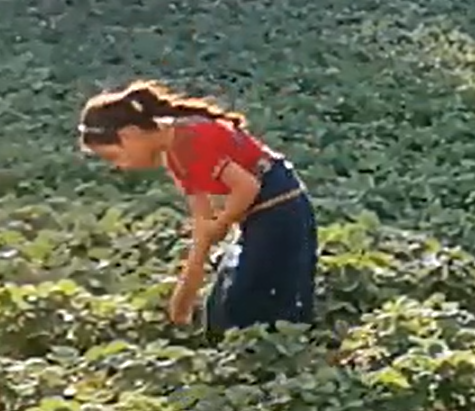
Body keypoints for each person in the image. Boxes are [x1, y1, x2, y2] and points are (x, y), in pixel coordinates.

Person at [78, 81, 317, 331]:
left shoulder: (192, 141)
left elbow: (247, 187)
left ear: (130, 134)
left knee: (253, 304)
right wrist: (184, 296)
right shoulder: (176, 156)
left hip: (282, 211)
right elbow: (202, 225)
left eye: (114, 157)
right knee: (226, 305)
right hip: (258, 217)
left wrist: (222, 223)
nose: (120, 166)